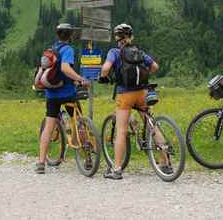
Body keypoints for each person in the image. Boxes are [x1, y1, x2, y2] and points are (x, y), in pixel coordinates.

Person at [99, 23, 159, 180]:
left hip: (125, 95)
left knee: (121, 131)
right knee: (152, 124)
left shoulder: (114, 52)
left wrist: (104, 76)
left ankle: (116, 169)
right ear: (131, 36)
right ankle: (166, 162)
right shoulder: (139, 51)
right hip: (143, 92)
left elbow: (105, 69)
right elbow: (154, 66)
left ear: (117, 37)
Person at [35, 23, 90, 174]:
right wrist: (80, 79)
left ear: (58, 35)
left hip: (51, 95)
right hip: (67, 93)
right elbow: (65, 68)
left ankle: (41, 163)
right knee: (79, 121)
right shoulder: (68, 50)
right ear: (70, 35)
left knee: (48, 127)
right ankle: (88, 158)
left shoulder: (52, 49)